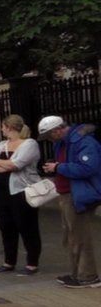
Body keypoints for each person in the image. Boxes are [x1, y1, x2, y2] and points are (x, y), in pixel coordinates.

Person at [40, 115, 101, 289]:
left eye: (49, 135)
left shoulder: (84, 142)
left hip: (78, 194)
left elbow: (88, 167)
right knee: (72, 235)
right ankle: (78, 273)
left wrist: (58, 167)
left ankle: (88, 275)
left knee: (79, 235)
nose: (49, 140)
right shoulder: (65, 142)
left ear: (57, 130)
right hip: (68, 193)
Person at [0, 115, 42, 275]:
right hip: (1, 192)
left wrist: (2, 163)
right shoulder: (2, 145)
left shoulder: (29, 144)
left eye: (3, 126)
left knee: (27, 227)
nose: (1, 129)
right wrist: (6, 165)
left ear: (9, 127)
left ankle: (32, 263)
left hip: (22, 192)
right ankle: (9, 261)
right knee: (6, 227)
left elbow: (17, 164)